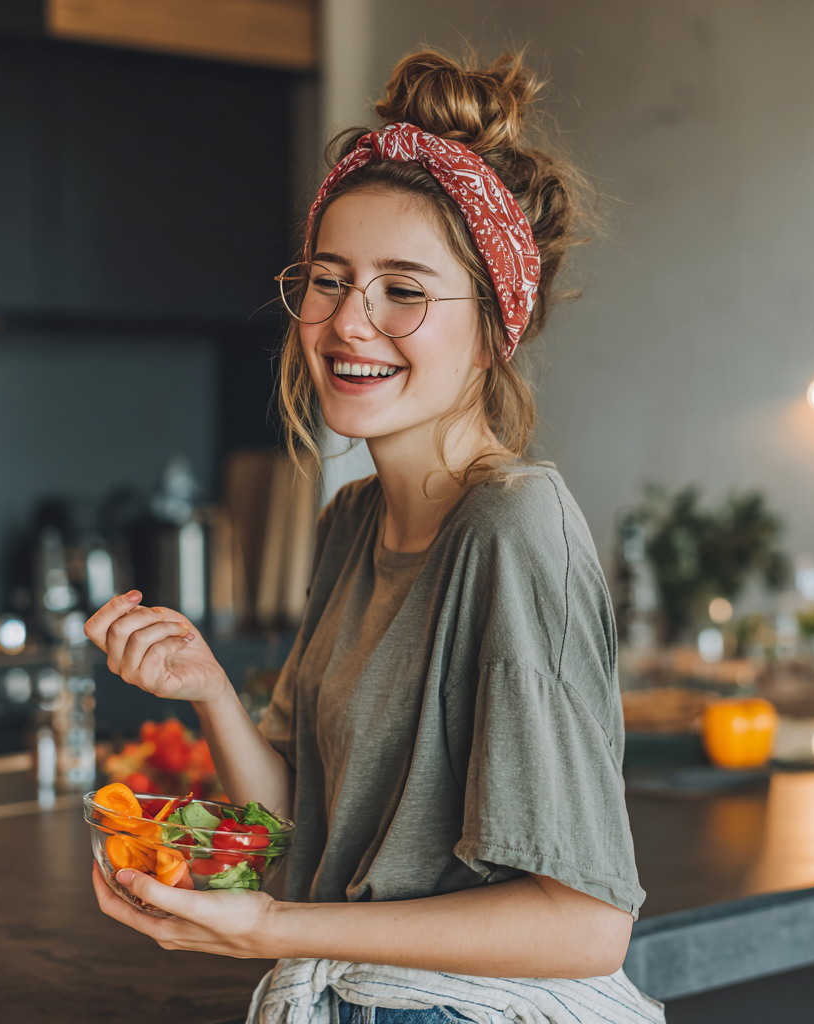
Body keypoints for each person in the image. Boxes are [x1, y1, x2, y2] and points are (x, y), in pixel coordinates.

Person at [85, 50, 665, 1024]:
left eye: (403, 289)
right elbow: (304, 826)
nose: (347, 322)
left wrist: (273, 929)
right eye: (326, 279)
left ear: (491, 325)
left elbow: (583, 923)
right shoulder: (350, 521)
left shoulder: (511, 524)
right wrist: (209, 690)